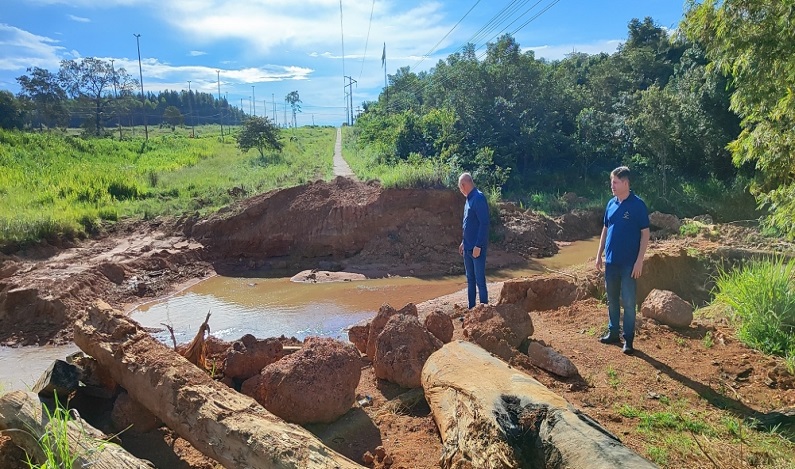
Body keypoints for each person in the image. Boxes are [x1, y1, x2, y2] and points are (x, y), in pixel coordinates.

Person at [595, 166, 650, 354]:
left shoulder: (638, 205)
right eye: (612, 182)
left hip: (629, 264)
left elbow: (645, 234)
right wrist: (599, 255)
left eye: (615, 182)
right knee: (611, 299)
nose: (612, 186)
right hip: (611, 262)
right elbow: (605, 230)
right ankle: (613, 333)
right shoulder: (611, 204)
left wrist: (639, 260)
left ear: (625, 183)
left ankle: (628, 340)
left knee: (628, 302)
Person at [458, 172, 490, 309]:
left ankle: (484, 311)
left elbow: (484, 223)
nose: (460, 190)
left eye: (460, 187)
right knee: (470, 280)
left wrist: (479, 245)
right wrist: (463, 242)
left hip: (476, 248)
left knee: (480, 281)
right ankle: (471, 310)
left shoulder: (478, 198)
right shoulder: (468, 199)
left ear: (463, 185)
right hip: (467, 247)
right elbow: (469, 223)